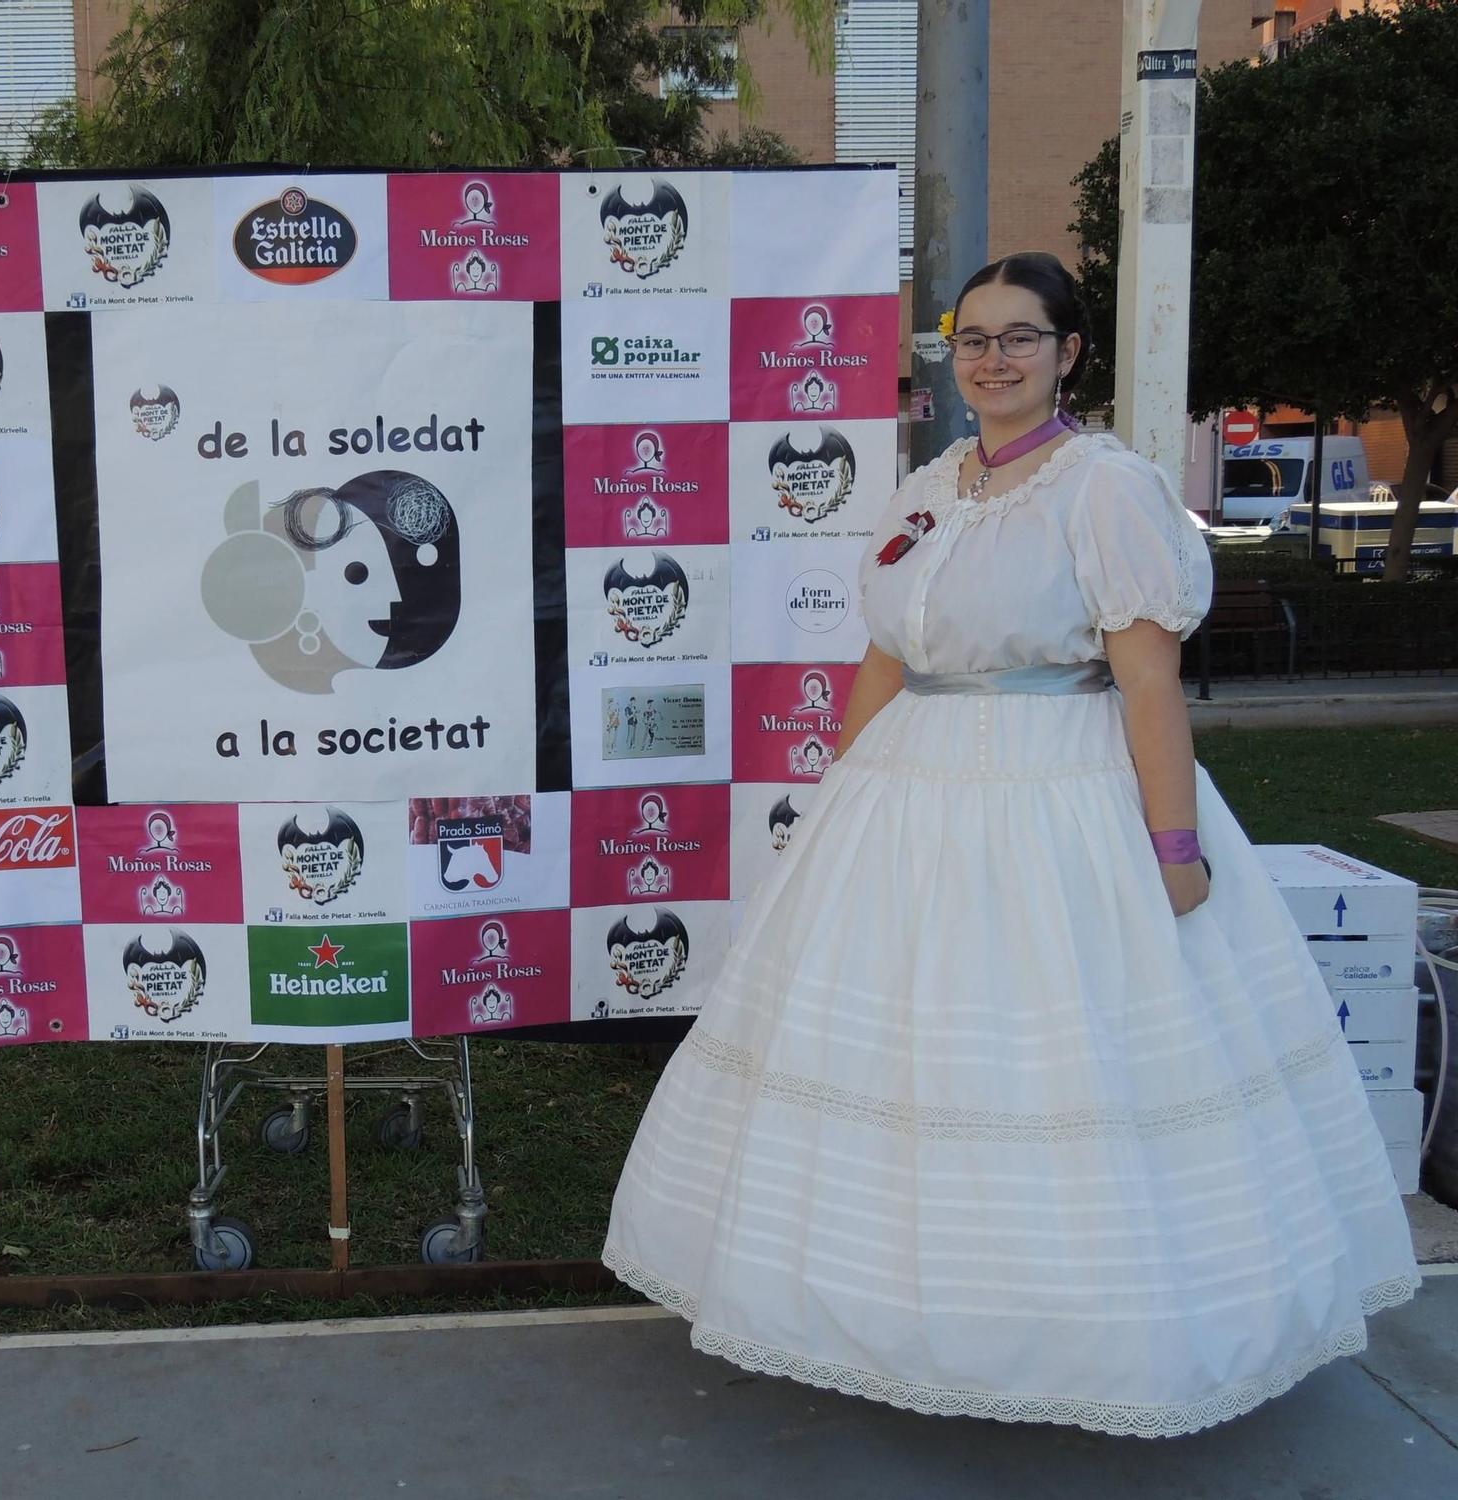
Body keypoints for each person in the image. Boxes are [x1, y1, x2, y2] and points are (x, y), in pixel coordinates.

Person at [603, 251, 1418, 1437]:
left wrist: (1173, 842)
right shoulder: (930, 485)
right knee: (897, 1071)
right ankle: (889, 1316)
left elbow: (1146, 683)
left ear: (1067, 353)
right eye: (970, 339)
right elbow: (884, 654)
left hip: (1056, 797)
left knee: (1062, 1068)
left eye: (1017, 338)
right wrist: (839, 793)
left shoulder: (1103, 488)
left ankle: (1082, 1334)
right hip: (903, 804)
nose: (989, 359)